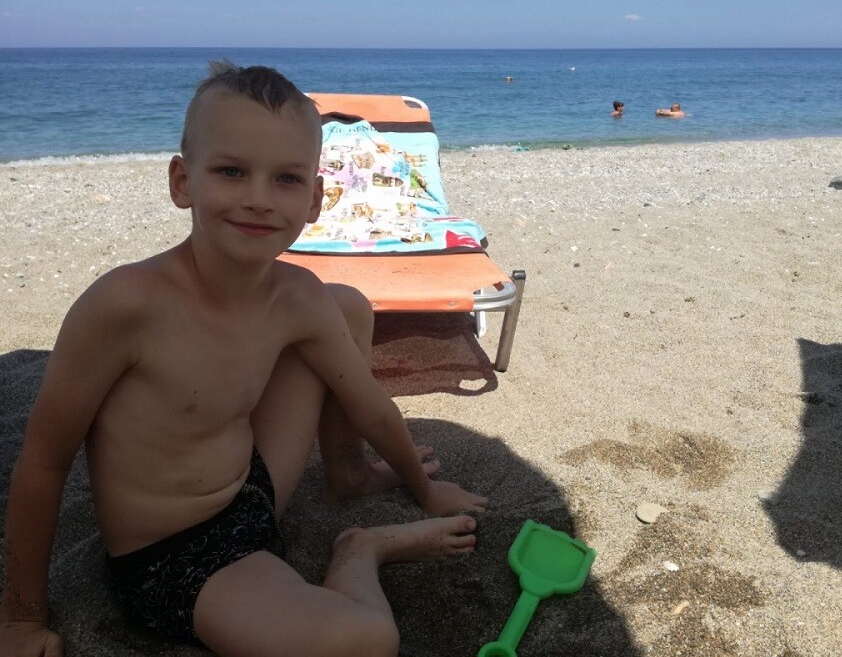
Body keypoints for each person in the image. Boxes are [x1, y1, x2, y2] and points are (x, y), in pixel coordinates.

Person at [0, 61, 488, 657]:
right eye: (231, 172)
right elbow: (43, 463)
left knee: (346, 305)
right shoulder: (125, 307)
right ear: (183, 182)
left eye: (286, 179)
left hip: (250, 490)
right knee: (368, 641)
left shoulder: (294, 295)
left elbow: (371, 406)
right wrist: (20, 620)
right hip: (174, 558)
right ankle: (361, 549)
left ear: (315, 199)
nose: (258, 199)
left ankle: (348, 474)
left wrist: (424, 487)